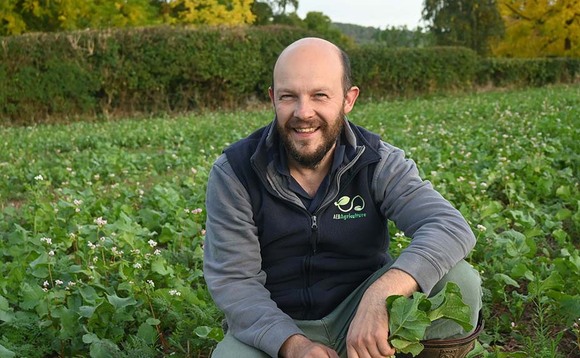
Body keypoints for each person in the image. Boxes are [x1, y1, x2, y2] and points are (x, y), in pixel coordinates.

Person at [203, 37, 483, 358]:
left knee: (460, 281)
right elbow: (235, 281)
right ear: (272, 98)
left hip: (364, 312)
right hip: (280, 323)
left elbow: (448, 226)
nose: (303, 113)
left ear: (348, 100)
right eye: (288, 96)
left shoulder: (377, 162)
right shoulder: (236, 172)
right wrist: (293, 346)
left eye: (320, 95)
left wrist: (381, 295)